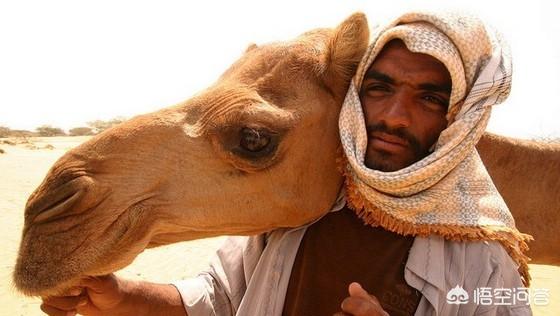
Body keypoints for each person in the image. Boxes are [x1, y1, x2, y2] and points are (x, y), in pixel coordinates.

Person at [41, 11, 532, 316]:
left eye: (429, 98)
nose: (393, 117)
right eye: (379, 88)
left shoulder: (484, 264)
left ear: (461, 115)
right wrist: (120, 297)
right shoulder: (300, 208)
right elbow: (218, 301)